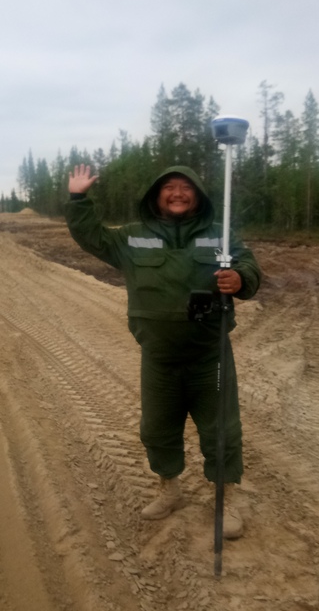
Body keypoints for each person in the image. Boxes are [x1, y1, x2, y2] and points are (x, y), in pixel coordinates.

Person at [66, 163, 261, 538]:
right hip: (159, 359)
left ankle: (226, 499)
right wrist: (78, 200)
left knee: (221, 431)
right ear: (156, 196)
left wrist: (240, 278)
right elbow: (92, 237)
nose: (177, 193)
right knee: (157, 430)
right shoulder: (133, 237)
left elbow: (248, 265)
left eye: (186, 187)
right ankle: (169, 489)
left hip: (210, 357)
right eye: (169, 187)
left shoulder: (219, 235)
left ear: (197, 196)